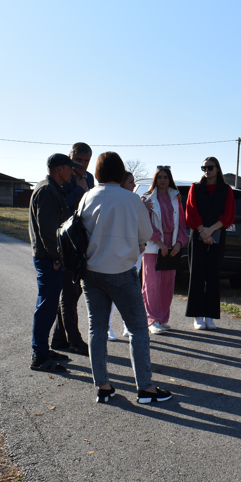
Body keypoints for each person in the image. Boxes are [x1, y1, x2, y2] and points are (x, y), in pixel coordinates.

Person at [78, 152, 172, 404]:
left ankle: (103, 386)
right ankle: (145, 388)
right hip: (120, 271)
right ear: (120, 171)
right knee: (138, 329)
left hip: (91, 271)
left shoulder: (88, 196)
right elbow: (145, 232)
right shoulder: (131, 199)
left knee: (96, 329)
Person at [28, 154, 83, 373]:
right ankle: (39, 356)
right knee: (46, 307)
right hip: (48, 259)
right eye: (70, 168)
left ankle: (44, 349)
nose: (73, 172)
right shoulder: (48, 190)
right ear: (59, 168)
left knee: (49, 307)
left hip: (50, 258)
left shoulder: (52, 188)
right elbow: (48, 230)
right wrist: (57, 257)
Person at [50, 142, 95, 356]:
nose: (83, 165)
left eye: (87, 161)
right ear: (70, 157)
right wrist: (79, 190)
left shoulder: (90, 178)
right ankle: (74, 339)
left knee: (74, 292)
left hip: (82, 241)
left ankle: (59, 338)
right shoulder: (63, 177)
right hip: (65, 242)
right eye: (79, 160)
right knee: (69, 293)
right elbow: (62, 206)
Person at [184, 156, 235, 330]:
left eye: (210, 167)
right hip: (198, 234)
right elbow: (190, 211)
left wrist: (210, 230)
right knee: (197, 274)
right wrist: (202, 231)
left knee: (212, 275)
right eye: (204, 167)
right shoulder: (195, 188)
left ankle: (210, 315)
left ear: (217, 169)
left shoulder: (226, 190)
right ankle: (197, 316)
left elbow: (228, 215)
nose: (207, 170)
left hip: (216, 235)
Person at [141, 165, 188, 335]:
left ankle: (162, 318)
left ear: (170, 179)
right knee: (152, 284)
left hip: (172, 245)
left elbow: (182, 224)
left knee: (168, 284)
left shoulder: (176, 198)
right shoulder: (146, 198)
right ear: (155, 179)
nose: (162, 180)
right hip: (154, 245)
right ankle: (152, 319)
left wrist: (179, 243)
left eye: (165, 177)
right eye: (159, 177)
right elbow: (144, 222)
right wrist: (159, 242)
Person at [107, 172, 139, 341]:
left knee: (130, 293)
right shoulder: (114, 201)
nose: (134, 185)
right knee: (112, 295)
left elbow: (143, 230)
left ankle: (128, 325)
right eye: (131, 182)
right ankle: (107, 327)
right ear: (121, 184)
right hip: (115, 255)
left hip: (133, 255)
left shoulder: (135, 201)